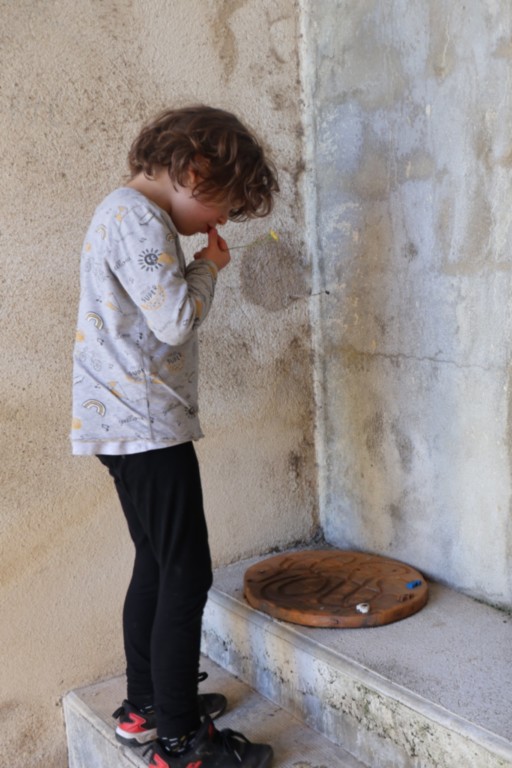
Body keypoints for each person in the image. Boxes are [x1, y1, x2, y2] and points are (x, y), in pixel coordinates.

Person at [71, 105, 279, 768]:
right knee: (186, 574)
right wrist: (208, 267)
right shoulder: (140, 219)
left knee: (159, 566)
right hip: (144, 423)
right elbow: (176, 320)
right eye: (220, 210)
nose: (216, 226)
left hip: (124, 424)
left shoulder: (125, 214)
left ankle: (148, 708)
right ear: (194, 172)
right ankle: (182, 743)